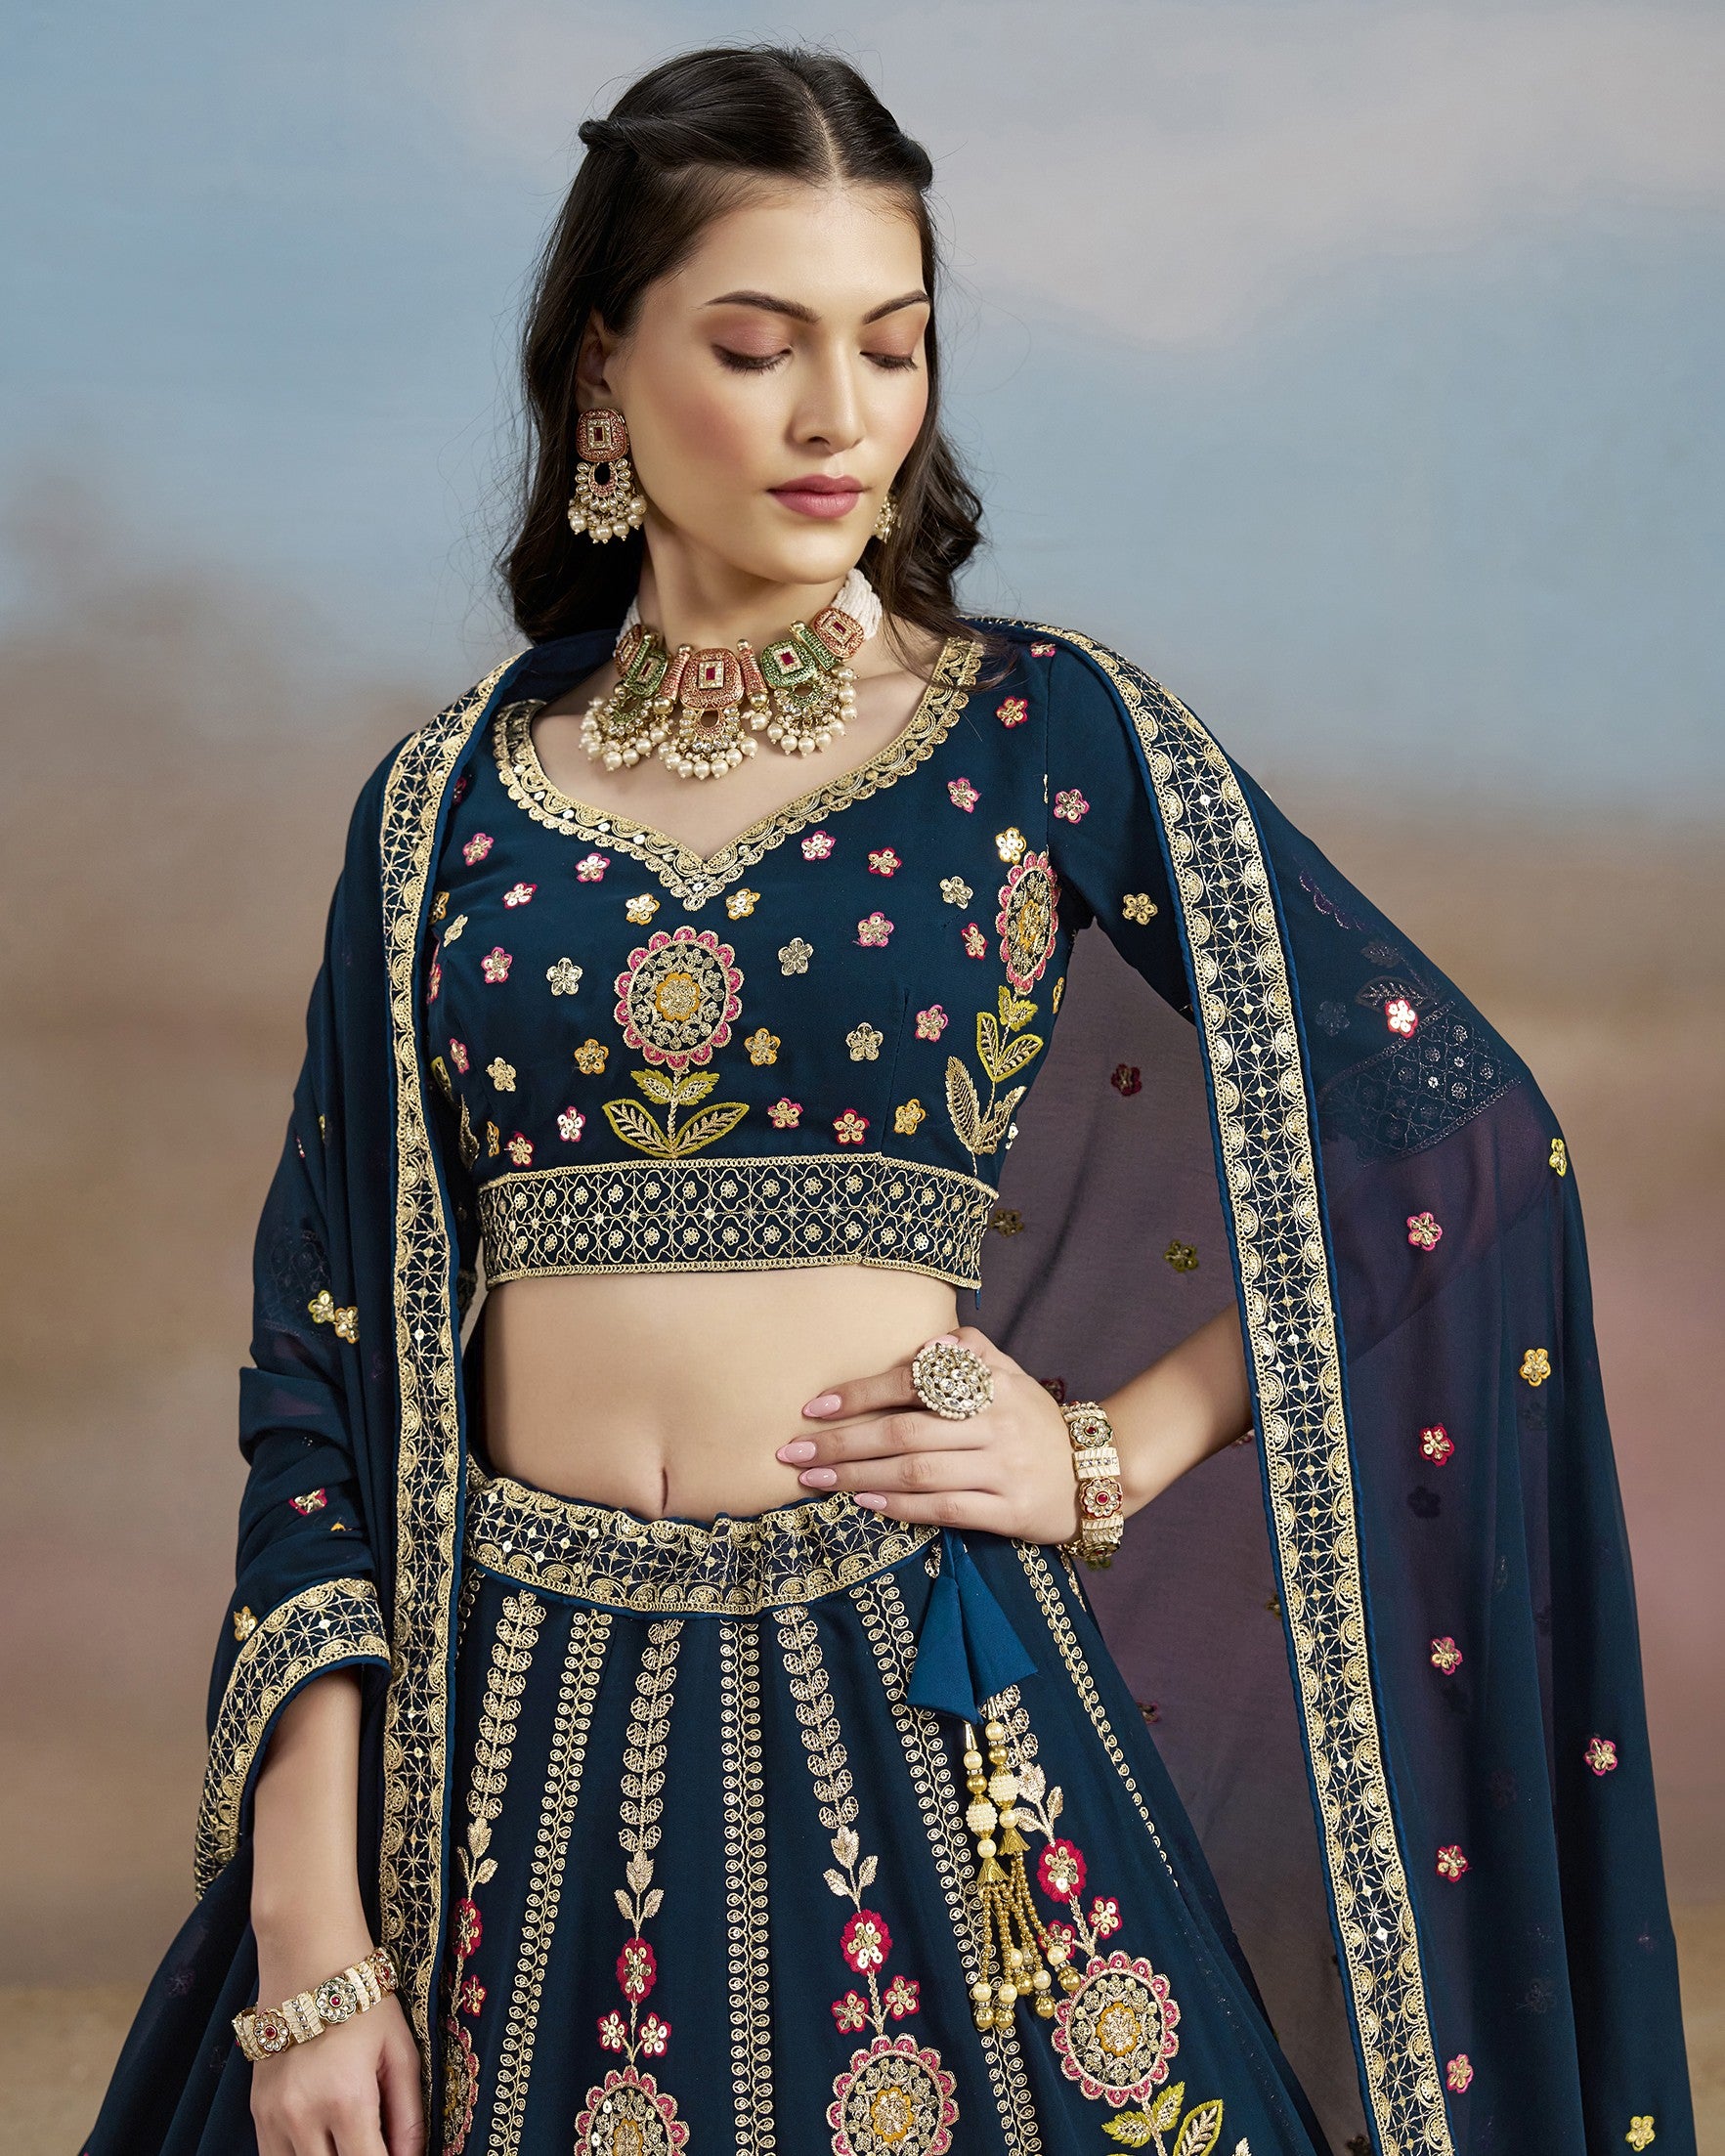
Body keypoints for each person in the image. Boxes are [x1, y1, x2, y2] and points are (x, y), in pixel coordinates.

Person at [84, 42, 1695, 2156]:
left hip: (923, 1729)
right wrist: (312, 1922)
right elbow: (324, 1371)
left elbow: (1458, 1144)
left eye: (893, 345)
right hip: (504, 1773)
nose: (840, 416)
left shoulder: (1037, 734)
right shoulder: (442, 807)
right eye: (758, 347)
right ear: (604, 375)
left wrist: (1105, 1450)